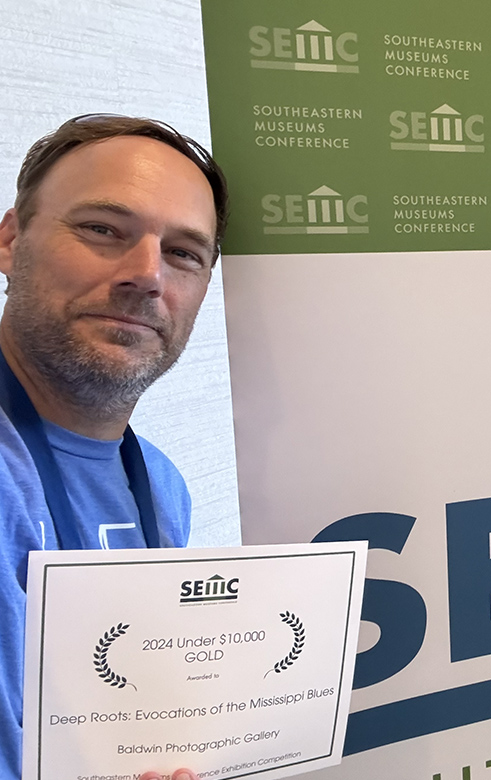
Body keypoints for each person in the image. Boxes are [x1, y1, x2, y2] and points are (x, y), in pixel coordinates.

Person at [0, 114, 228, 780]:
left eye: (184, 252)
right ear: (11, 241)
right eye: (103, 230)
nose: (146, 275)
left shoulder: (160, 485)